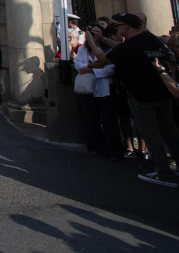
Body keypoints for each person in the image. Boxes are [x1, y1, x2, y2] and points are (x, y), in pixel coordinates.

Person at [90, 13, 179, 187]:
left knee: (152, 135)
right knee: (170, 132)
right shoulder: (152, 39)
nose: (117, 28)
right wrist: (103, 39)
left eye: (119, 25)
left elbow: (103, 59)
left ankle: (164, 173)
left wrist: (93, 42)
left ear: (127, 27)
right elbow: (121, 49)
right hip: (163, 94)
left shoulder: (130, 46)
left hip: (142, 97)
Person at [74, 24, 123, 160]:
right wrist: (92, 66)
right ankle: (95, 145)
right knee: (91, 118)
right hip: (88, 89)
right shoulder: (83, 49)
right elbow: (78, 65)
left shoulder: (107, 50)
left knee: (109, 120)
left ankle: (112, 149)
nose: (93, 35)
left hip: (105, 87)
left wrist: (88, 69)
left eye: (96, 32)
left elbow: (109, 69)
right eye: (91, 32)